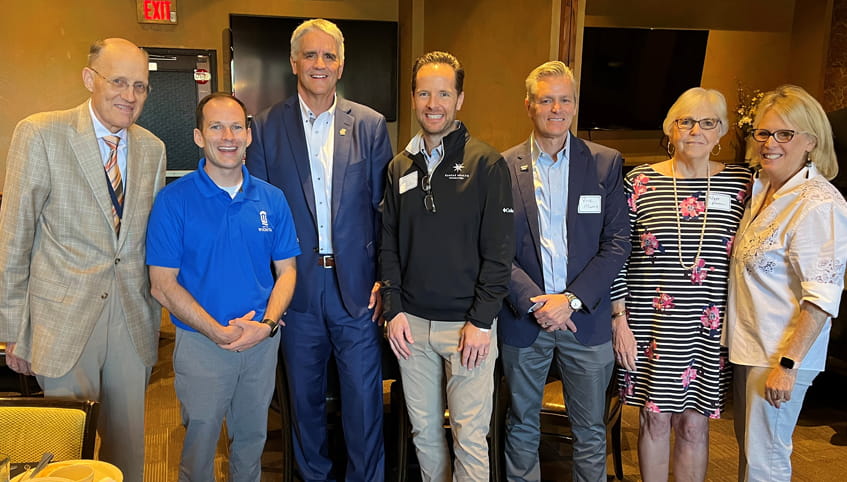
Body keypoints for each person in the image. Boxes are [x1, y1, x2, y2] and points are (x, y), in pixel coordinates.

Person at [0, 38, 165, 482]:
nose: (129, 96)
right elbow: (13, 237)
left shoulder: (152, 148)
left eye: (141, 86)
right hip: (62, 320)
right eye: (118, 82)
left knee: (128, 447)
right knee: (65, 453)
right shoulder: (40, 133)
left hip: (131, 317)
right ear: (89, 79)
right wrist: (12, 330)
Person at [245, 18, 392, 481]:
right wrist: (270, 294)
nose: (320, 64)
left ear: (341, 64)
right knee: (305, 404)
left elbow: (384, 213)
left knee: (364, 403)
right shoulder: (265, 127)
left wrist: (385, 282)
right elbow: (258, 219)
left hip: (357, 291)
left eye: (329, 56)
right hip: (298, 292)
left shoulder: (368, 125)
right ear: (293, 63)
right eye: (310, 55)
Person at [146, 93, 300, 481]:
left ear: (249, 135)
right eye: (216, 126)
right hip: (201, 344)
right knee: (199, 443)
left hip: (261, 342)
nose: (227, 136)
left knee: (252, 439)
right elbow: (162, 285)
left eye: (236, 127)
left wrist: (265, 325)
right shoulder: (173, 201)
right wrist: (217, 331)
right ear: (199, 136)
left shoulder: (272, 199)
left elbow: (288, 272)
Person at [382, 50, 514, 482]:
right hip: (412, 326)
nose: (432, 103)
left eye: (443, 93)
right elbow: (390, 245)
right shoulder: (400, 166)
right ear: (414, 98)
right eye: (424, 93)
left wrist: (481, 320)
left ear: (459, 99)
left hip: (468, 328)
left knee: (469, 436)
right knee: (424, 434)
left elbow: (500, 253)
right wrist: (393, 309)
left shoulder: (486, 164)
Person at [610, 88, 752, 481]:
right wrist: (618, 319)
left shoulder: (743, 184)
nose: (695, 131)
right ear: (669, 129)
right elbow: (616, 256)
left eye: (708, 122)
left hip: (707, 329)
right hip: (648, 325)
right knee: (653, 423)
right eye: (685, 121)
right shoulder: (639, 182)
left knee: (694, 426)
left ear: (721, 131)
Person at [499, 60, 630, 482]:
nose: (556, 109)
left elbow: (617, 244)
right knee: (521, 424)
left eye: (565, 100)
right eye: (546, 100)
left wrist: (569, 301)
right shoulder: (501, 167)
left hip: (585, 320)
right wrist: (537, 302)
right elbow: (494, 248)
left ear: (575, 105)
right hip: (525, 317)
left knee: (590, 430)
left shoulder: (606, 164)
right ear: (529, 105)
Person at [727, 84, 847, 482]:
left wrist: (788, 365)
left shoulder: (819, 202)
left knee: (767, 461)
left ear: (811, 142)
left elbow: (822, 297)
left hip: (780, 355)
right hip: (751, 348)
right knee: (750, 453)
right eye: (763, 132)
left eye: (784, 134)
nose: (769, 143)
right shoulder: (763, 188)